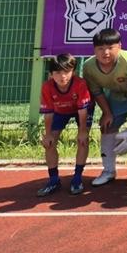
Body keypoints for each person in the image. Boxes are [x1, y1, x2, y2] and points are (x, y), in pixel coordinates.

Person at [82, 28, 127, 187]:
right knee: (107, 126)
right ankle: (108, 170)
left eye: (110, 47)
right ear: (94, 49)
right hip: (116, 96)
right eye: (100, 48)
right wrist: (107, 113)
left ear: (119, 46)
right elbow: (97, 91)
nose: (106, 53)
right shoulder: (88, 67)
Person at [37, 54, 92, 196]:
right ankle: (54, 180)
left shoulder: (80, 84)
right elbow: (48, 113)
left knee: (83, 140)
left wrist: (82, 131)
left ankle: (77, 178)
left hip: (81, 111)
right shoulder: (47, 87)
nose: (62, 76)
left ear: (73, 72)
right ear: (51, 74)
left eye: (67, 72)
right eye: (57, 72)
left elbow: (83, 111)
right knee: (49, 143)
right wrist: (48, 134)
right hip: (60, 111)